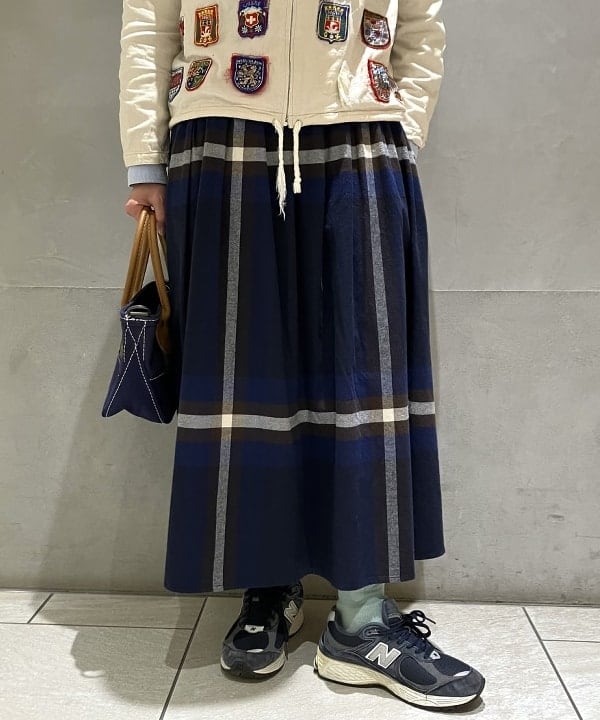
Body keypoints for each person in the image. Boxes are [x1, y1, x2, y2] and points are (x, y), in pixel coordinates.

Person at [119, 0, 485, 708]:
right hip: (219, 135)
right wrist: (144, 160)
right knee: (245, 382)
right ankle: (268, 585)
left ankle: (361, 618)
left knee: (364, 382)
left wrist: (401, 132)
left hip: (360, 136)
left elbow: (420, 28)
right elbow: (149, 23)